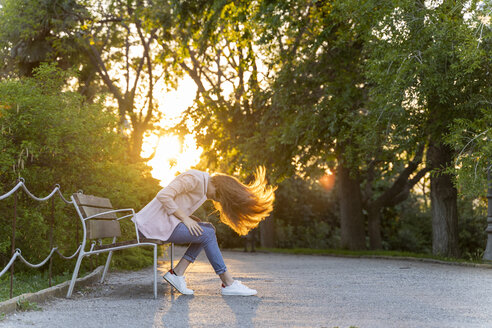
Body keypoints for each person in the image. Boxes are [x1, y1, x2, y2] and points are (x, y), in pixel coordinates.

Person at [132, 166, 275, 296]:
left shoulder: (203, 189)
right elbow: (163, 195)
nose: (216, 200)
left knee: (207, 230)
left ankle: (178, 273)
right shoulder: (194, 179)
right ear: (217, 185)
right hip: (150, 227)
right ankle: (228, 282)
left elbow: (178, 204)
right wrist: (185, 219)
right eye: (217, 196)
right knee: (207, 234)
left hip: (161, 225)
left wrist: (189, 218)